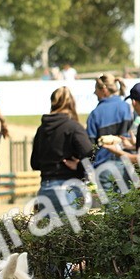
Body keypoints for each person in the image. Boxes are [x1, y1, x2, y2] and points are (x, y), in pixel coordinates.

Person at [30, 86, 94, 215]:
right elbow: (90, 154)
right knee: (71, 233)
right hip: (69, 187)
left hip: (45, 187)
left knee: (48, 234)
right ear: (72, 103)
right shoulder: (73, 127)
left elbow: (35, 163)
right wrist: (79, 166)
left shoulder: (41, 129)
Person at [86, 73, 134, 199]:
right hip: (125, 163)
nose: (94, 93)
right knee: (128, 210)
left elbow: (91, 146)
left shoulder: (95, 114)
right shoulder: (127, 108)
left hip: (104, 167)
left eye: (96, 89)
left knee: (111, 212)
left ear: (104, 90)